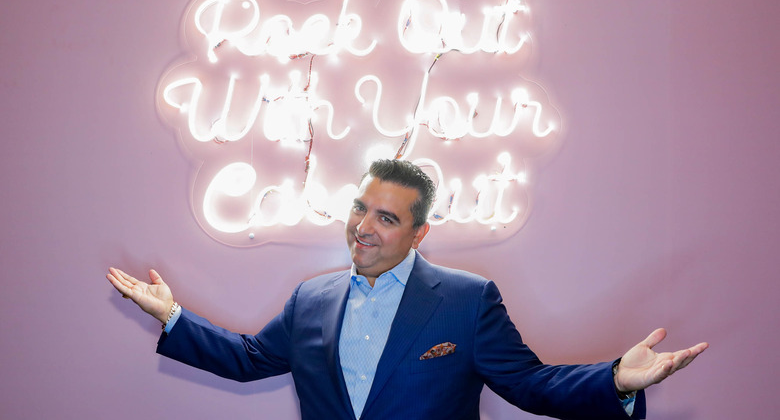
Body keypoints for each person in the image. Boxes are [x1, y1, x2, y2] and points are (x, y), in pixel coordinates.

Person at [107, 159, 707, 420]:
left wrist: (616, 382)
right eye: (360, 209)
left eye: (386, 219)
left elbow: (529, 384)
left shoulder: (469, 301)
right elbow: (248, 359)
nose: (363, 228)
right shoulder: (309, 299)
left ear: (420, 232)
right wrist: (173, 316)